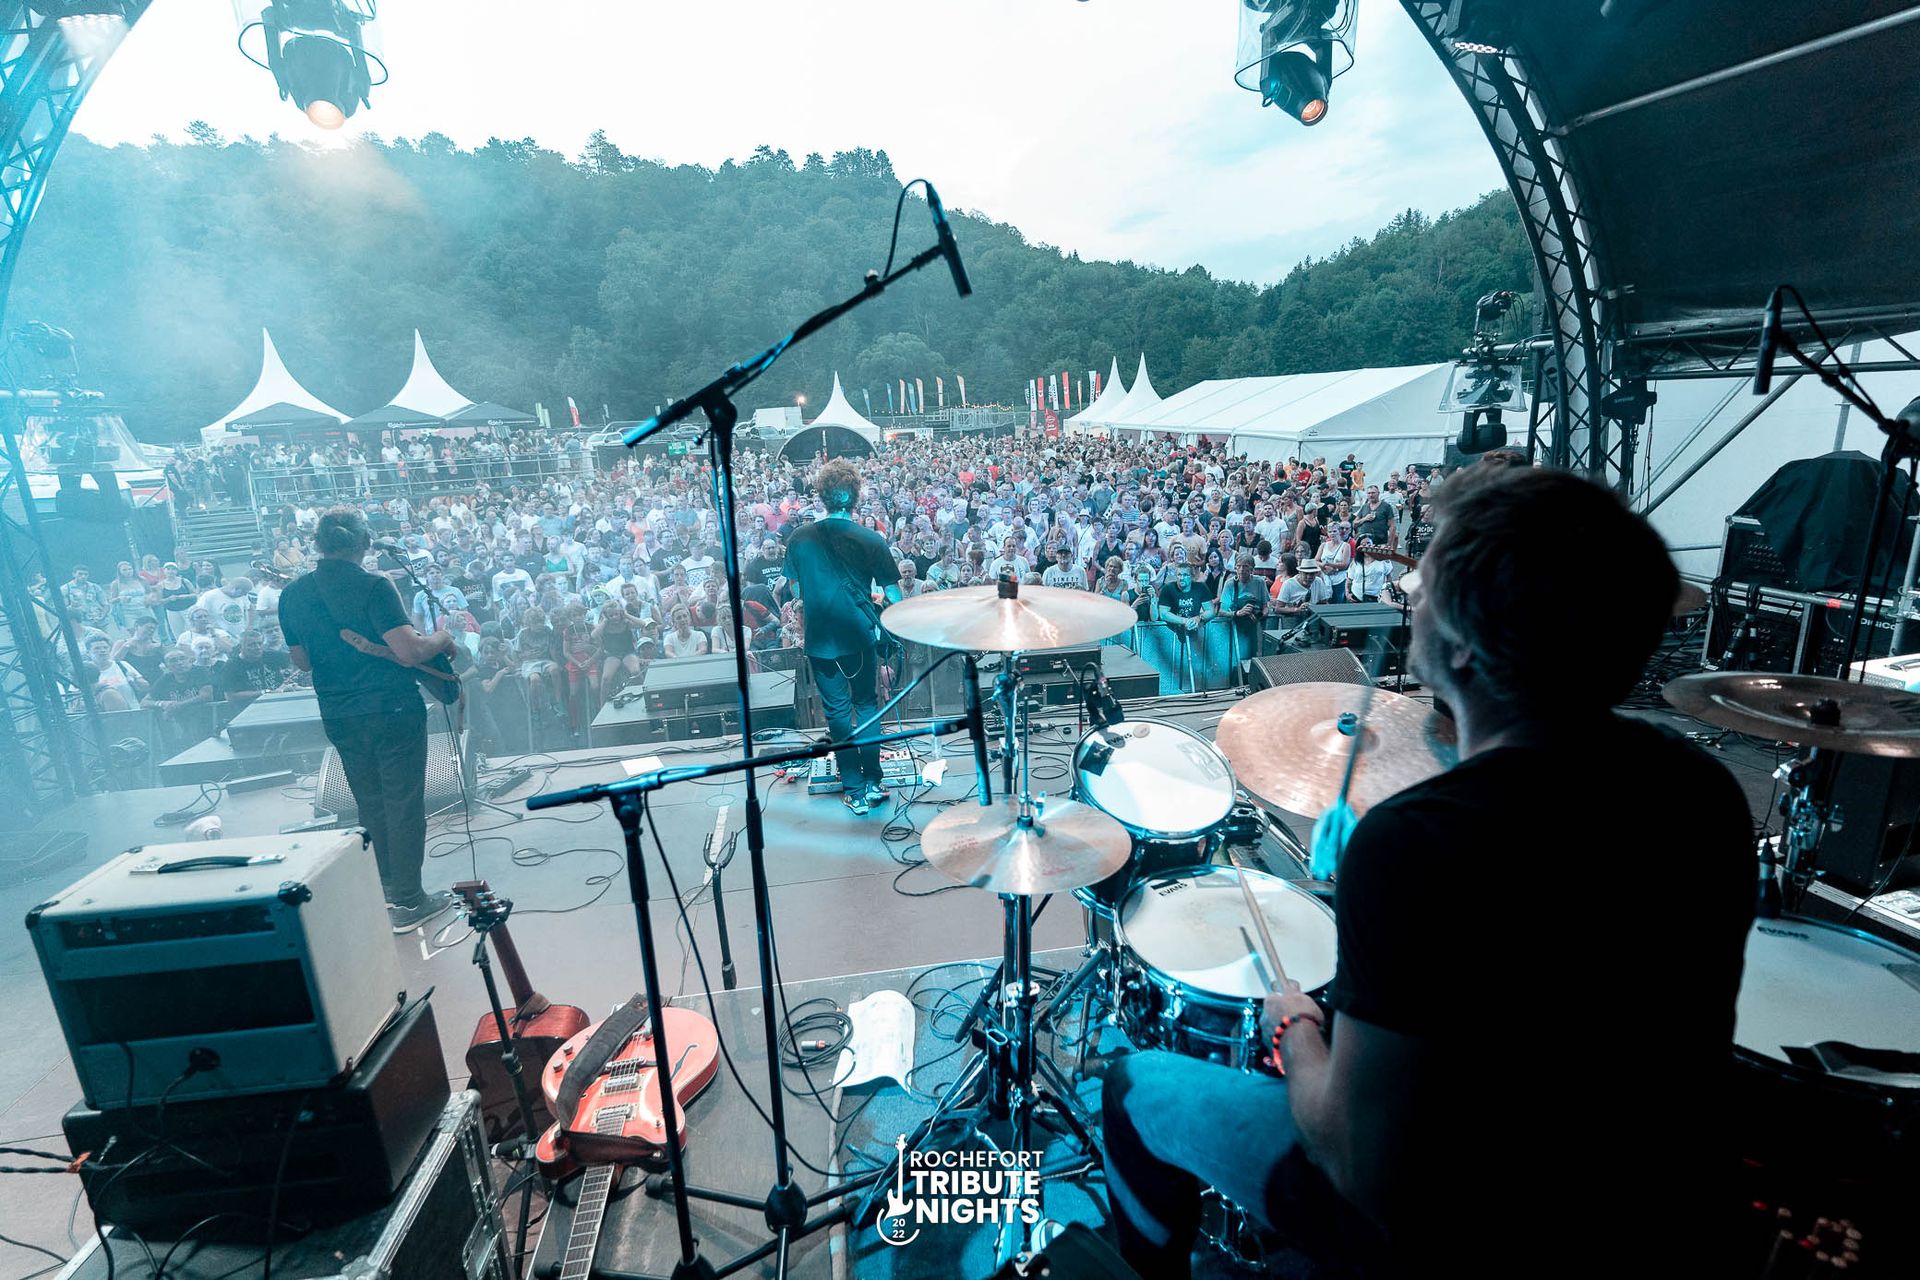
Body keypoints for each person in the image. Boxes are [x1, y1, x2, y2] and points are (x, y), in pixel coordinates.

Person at [1101, 465, 1754, 1278]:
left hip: (1459, 1231)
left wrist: (1294, 1029)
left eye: (1427, 580)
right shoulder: (1703, 790)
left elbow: (1360, 1164)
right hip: (1654, 1209)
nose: (1410, 593)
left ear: (1464, 645)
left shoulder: (1420, 843)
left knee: (1136, 1085)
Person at [279, 507, 460, 932]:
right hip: (390, 707)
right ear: (364, 543)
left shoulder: (292, 594)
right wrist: (443, 637)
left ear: (317, 544)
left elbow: (302, 661)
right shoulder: (375, 586)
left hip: (339, 712)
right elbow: (409, 652)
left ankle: (385, 889)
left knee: (369, 802)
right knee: (402, 801)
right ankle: (410, 901)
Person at [783, 458, 902, 817]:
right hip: (859, 636)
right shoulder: (871, 539)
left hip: (821, 639)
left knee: (836, 713)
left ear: (821, 495)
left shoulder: (800, 538)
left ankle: (853, 790)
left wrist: (817, 595)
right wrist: (881, 604)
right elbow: (894, 595)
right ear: (856, 495)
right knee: (866, 706)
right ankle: (874, 783)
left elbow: (795, 589)